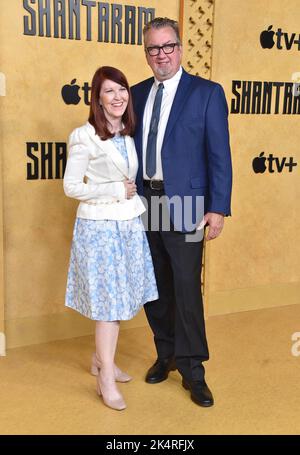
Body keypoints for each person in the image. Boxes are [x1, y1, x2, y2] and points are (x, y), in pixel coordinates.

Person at [131, 17, 232, 407]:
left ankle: (193, 371)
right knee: (154, 288)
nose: (162, 55)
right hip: (145, 203)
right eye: (153, 49)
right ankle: (167, 354)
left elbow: (219, 155)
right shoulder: (136, 94)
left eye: (168, 46)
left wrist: (218, 208)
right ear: (147, 54)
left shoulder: (206, 93)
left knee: (187, 289)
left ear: (181, 47)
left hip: (189, 205)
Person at [63, 66, 158, 411]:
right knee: (109, 306)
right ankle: (105, 377)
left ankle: (100, 359)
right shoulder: (83, 136)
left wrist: (128, 198)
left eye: (122, 90)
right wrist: (115, 189)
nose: (118, 97)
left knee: (120, 303)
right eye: (109, 91)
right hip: (100, 230)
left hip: (128, 226)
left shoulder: (129, 135)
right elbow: (71, 186)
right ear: (97, 99)